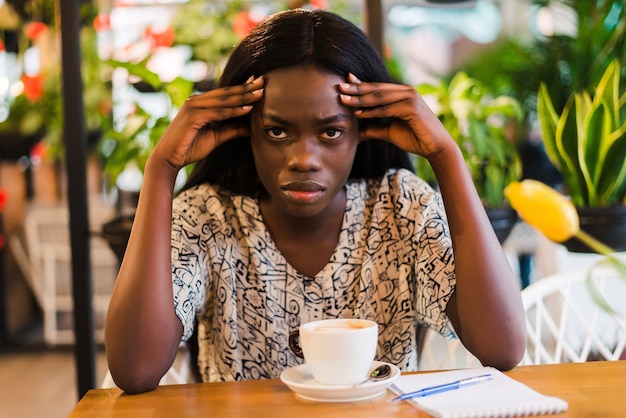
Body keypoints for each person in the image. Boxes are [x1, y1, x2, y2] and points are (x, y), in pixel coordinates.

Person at [105, 8, 526, 394]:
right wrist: (161, 169)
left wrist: (445, 156)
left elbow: (502, 348)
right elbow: (135, 370)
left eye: (330, 133)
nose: (303, 159)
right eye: (276, 131)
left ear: (362, 131)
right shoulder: (207, 216)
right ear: (244, 129)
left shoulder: (400, 208)